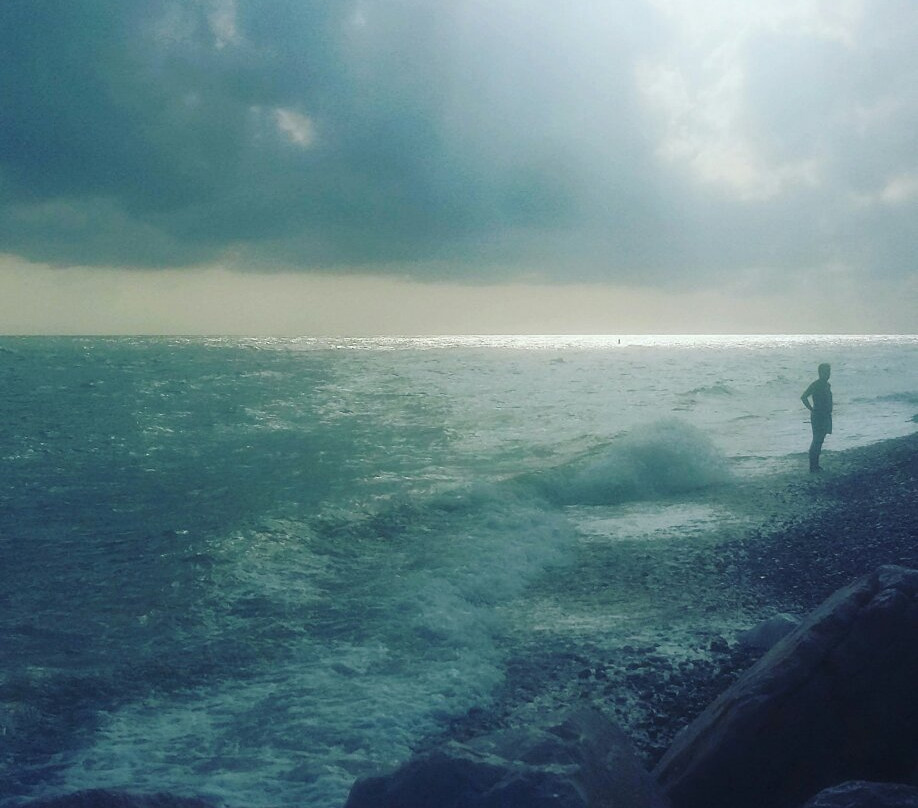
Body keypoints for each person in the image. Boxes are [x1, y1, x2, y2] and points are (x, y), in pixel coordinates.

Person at [801, 363, 833, 472]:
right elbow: (804, 397)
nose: (828, 374)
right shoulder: (816, 384)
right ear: (820, 373)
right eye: (825, 372)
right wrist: (811, 409)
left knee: (820, 440)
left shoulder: (827, 385)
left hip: (825, 415)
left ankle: (816, 465)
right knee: (817, 440)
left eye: (829, 372)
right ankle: (813, 466)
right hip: (818, 415)